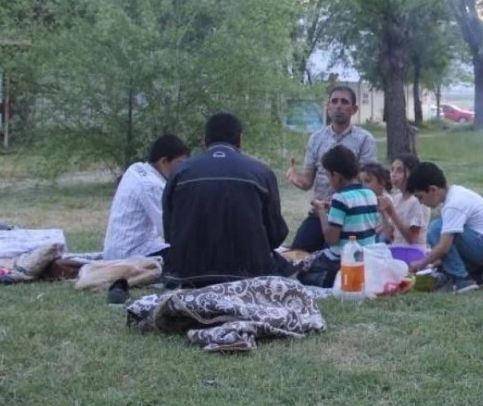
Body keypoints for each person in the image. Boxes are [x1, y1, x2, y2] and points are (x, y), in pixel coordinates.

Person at [162, 112, 291, 288]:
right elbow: (276, 235)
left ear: (204, 140)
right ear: (240, 139)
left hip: (188, 274)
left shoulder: (180, 172)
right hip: (249, 275)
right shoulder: (261, 172)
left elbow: (170, 233)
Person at [285, 85, 377, 253]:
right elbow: (307, 183)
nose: (339, 106)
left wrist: (338, 200)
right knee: (296, 255)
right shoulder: (316, 138)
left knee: (340, 264)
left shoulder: (364, 139)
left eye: (344, 102)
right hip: (319, 215)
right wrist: (293, 177)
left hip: (350, 217)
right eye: (334, 101)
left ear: (354, 109)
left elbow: (367, 182)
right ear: (328, 108)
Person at [405, 162, 483, 293]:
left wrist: (420, 264)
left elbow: (443, 248)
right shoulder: (456, 193)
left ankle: (461, 280)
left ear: (433, 190)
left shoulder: (453, 204)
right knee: (443, 229)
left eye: (420, 197)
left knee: (436, 229)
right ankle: (479, 275)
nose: (421, 202)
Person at [297, 146, 381, 288]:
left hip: (341, 259)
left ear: (336, 176)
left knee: (301, 268)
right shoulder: (371, 195)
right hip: (366, 257)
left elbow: (331, 239)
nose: (329, 180)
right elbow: (357, 218)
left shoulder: (340, 198)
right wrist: (332, 209)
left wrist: (321, 212)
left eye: (329, 176)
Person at [102, 134, 190, 260]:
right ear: (163, 161)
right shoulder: (152, 185)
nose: (182, 169)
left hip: (117, 248)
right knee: (188, 254)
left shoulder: (136, 168)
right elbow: (169, 229)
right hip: (130, 254)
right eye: (179, 163)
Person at [383, 153, 431, 249]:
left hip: (414, 255)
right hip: (397, 250)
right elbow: (389, 236)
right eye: (392, 170)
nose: (393, 174)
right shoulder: (396, 198)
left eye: (399, 170)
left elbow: (413, 240)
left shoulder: (418, 201)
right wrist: (382, 211)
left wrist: (392, 212)